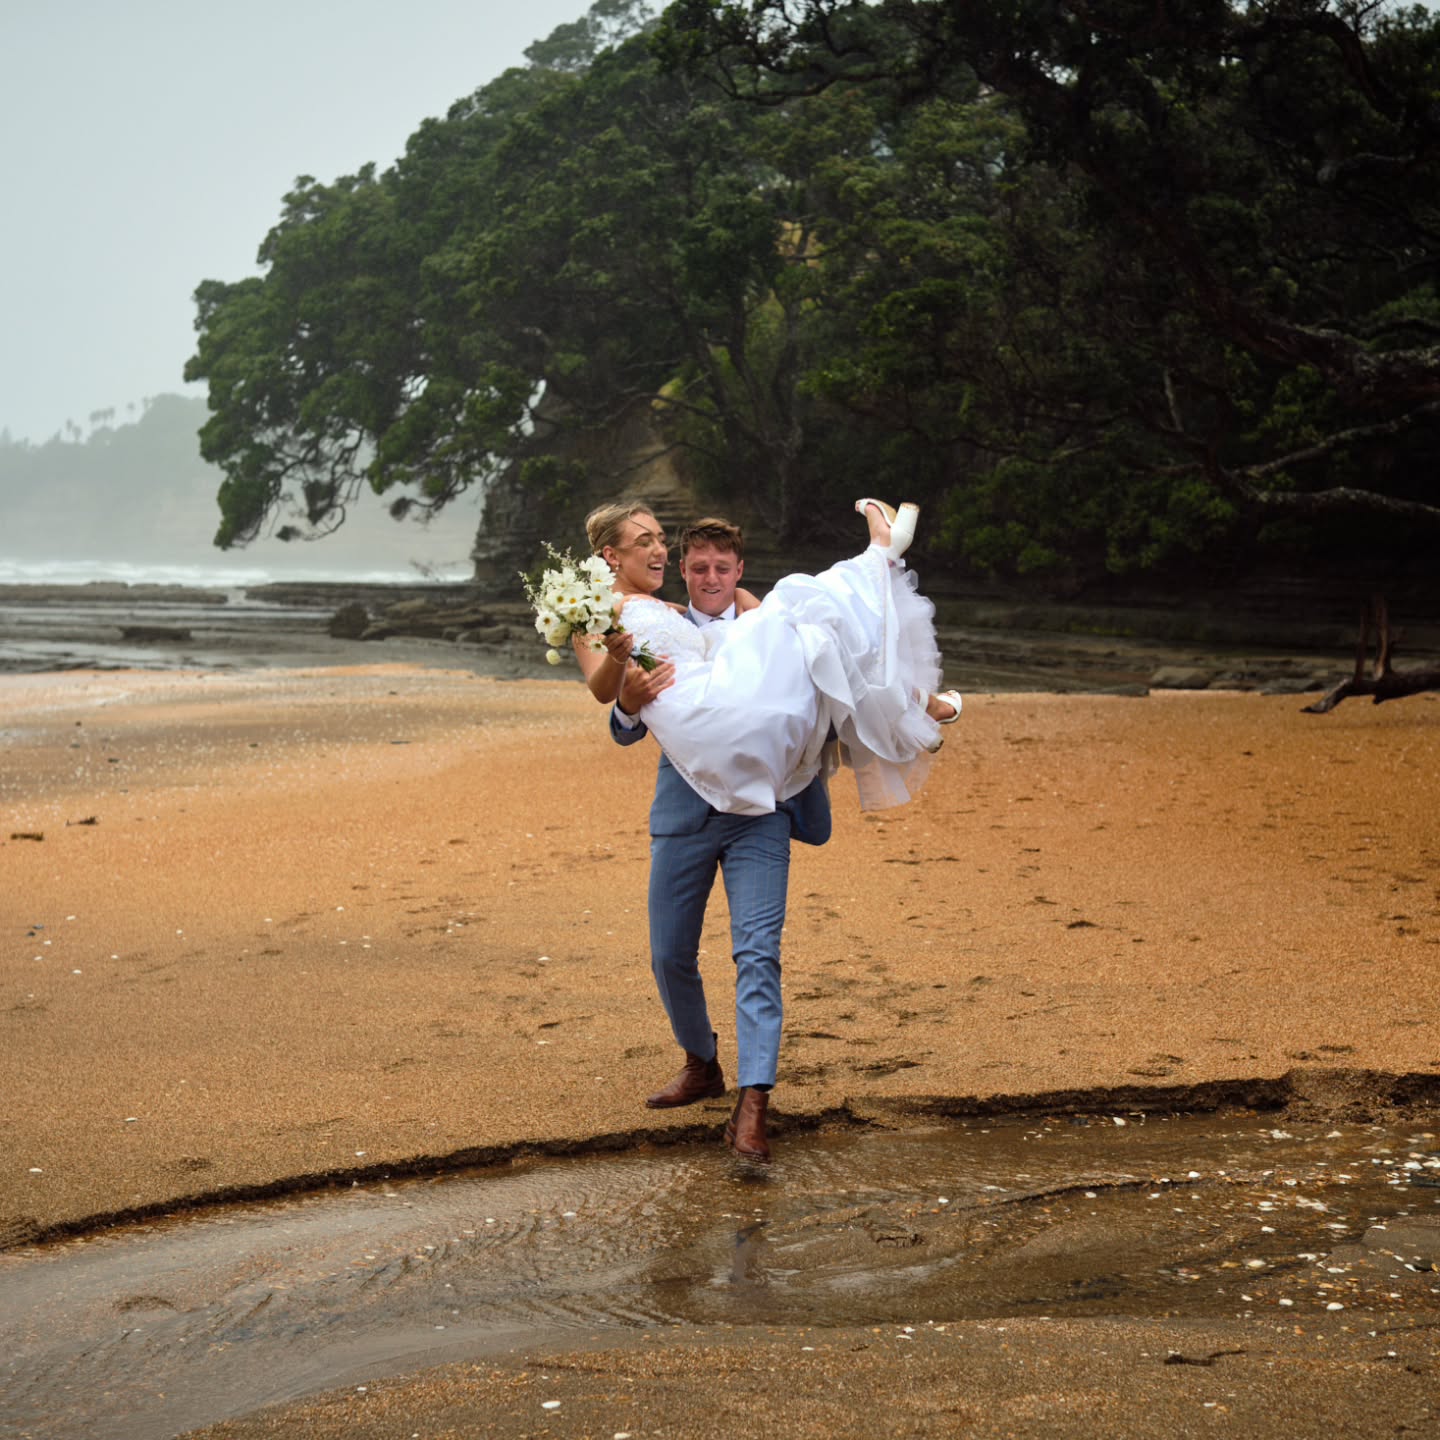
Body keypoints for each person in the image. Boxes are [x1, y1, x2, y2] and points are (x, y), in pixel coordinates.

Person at [578, 502, 960, 1163]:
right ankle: (702, 1064)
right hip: (687, 807)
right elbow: (616, 707)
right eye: (650, 543)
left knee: (758, 954)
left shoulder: (721, 613)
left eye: (667, 542)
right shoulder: (629, 618)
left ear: (734, 571)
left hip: (763, 810)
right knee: (670, 954)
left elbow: (772, 663)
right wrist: (628, 693)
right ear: (611, 556)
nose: (667, 555)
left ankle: (754, 1103)